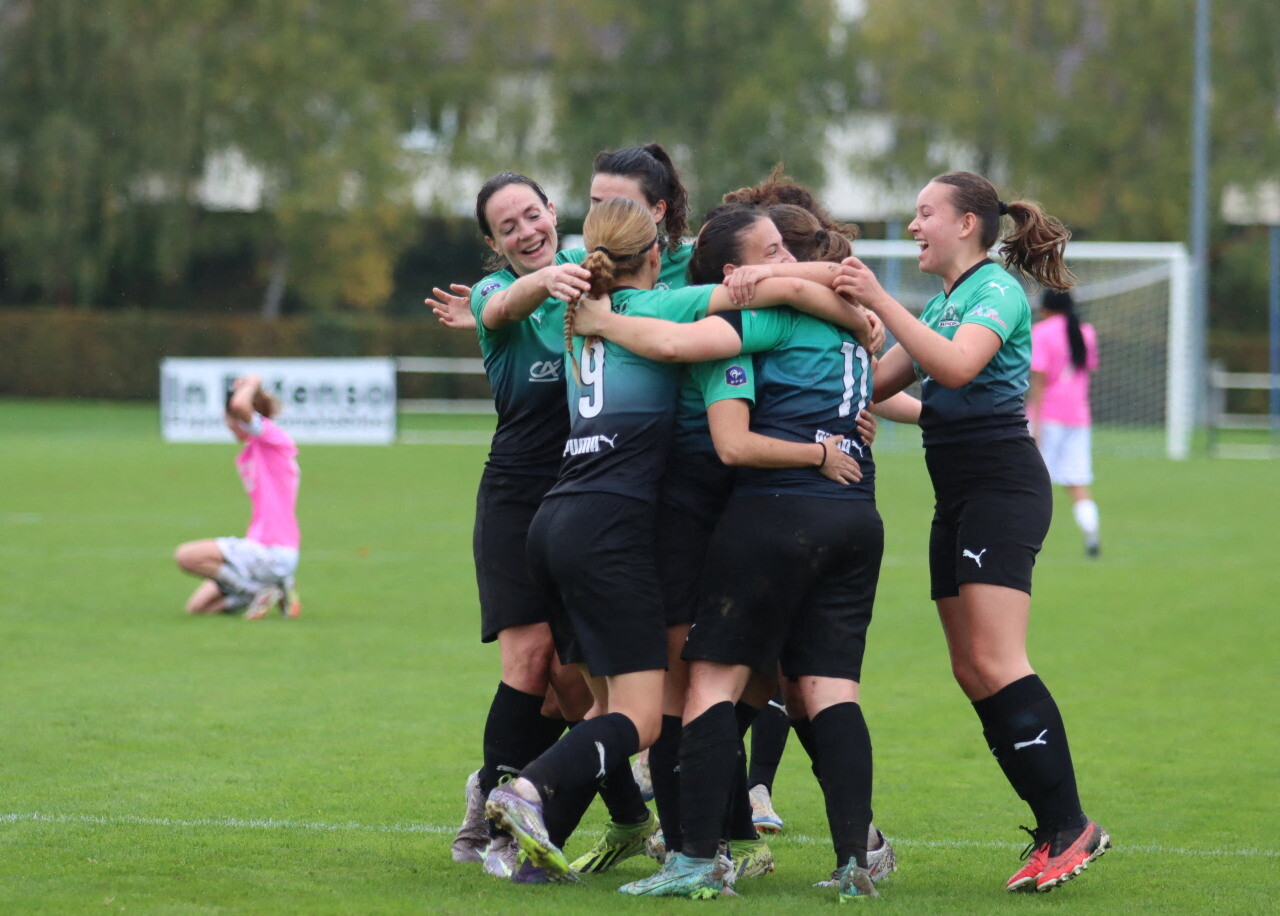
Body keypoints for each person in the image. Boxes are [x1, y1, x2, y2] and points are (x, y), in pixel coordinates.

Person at [484, 197, 872, 889]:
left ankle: (570, 849)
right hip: (632, 521)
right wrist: (856, 315)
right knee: (655, 707)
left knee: (623, 703)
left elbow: (509, 308)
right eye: (770, 253)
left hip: (556, 517)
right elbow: (710, 362)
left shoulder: (573, 313)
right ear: (658, 254)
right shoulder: (677, 310)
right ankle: (552, 800)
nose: (781, 264)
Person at [834, 170, 1110, 894]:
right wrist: (844, 339)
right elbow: (883, 386)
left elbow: (955, 368)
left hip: (1001, 489)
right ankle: (1051, 828)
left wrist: (879, 300)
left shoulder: (996, 290)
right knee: (970, 667)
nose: (913, 225)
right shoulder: (944, 302)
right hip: (956, 497)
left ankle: (1072, 824)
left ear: (966, 224)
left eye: (925, 213)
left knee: (997, 658)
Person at [445, 171, 596, 879]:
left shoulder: (596, 272)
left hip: (587, 500)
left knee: (575, 685)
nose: (526, 231)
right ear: (493, 242)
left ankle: (524, 800)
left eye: (532, 215)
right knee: (531, 661)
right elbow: (505, 305)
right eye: (508, 227)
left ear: (553, 212)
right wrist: (550, 279)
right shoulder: (493, 293)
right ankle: (495, 818)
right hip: (515, 499)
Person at [174, 374, 301, 621]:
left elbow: (240, 405)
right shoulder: (256, 447)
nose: (228, 426)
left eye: (228, 420)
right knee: (198, 608)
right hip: (260, 550)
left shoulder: (271, 439)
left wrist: (252, 382)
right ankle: (272, 588)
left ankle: (256, 592)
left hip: (271, 550)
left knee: (186, 556)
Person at [1028, 289, 1101, 557]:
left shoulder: (1042, 332)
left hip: (1048, 415)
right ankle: (1091, 534)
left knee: (1033, 480)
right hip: (1078, 417)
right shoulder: (1086, 332)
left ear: (1045, 308)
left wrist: (1034, 423)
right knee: (1077, 481)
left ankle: (1026, 537)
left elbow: (1039, 380)